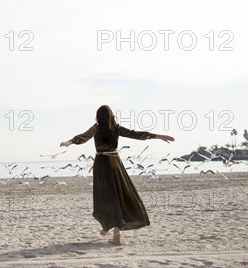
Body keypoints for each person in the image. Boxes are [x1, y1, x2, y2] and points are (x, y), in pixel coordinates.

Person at [60, 105, 175, 245]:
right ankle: (114, 230)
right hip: (115, 163)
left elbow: (83, 137)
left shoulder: (96, 128)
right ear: (111, 115)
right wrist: (158, 136)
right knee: (118, 194)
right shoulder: (116, 128)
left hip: (102, 163)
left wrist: (69, 142)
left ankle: (107, 227)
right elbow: (135, 134)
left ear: (98, 116)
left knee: (105, 196)